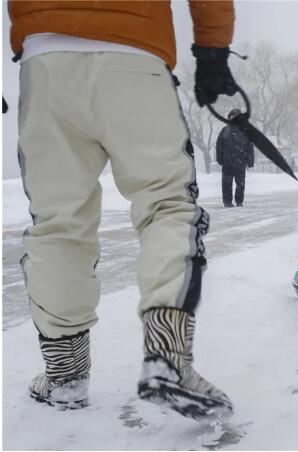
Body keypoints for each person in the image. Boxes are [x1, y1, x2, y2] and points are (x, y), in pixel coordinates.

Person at [8, 0, 237, 423]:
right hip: (135, 56)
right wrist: (212, 49)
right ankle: (167, 356)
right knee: (167, 204)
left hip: (46, 60)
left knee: (57, 222)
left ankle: (64, 374)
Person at [216, 109, 255, 207]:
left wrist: (250, 160)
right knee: (226, 184)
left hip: (240, 162)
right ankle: (227, 201)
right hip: (227, 162)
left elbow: (250, 146)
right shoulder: (225, 130)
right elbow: (219, 145)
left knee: (240, 184)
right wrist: (219, 158)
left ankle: (239, 201)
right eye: (232, 117)